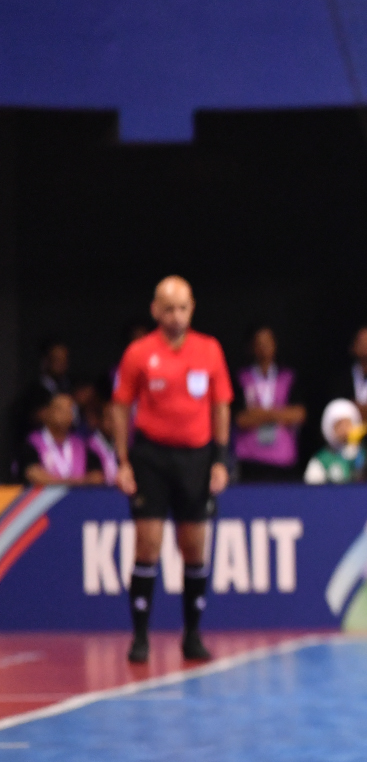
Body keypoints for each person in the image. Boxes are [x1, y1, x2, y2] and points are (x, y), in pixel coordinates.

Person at [111, 276, 233, 664]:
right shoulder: (139, 353)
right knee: (147, 545)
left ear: (192, 308)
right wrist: (122, 461)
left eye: (182, 308)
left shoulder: (209, 349)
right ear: (155, 310)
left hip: (196, 458)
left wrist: (220, 460)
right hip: (151, 458)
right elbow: (120, 406)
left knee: (194, 548)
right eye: (168, 309)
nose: (176, 316)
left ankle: (192, 635)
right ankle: (140, 637)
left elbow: (221, 406)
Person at [233, 326, 306, 481]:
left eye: (268, 342)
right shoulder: (241, 377)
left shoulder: (288, 377)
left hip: (283, 458)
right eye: (259, 343)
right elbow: (240, 419)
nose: (264, 347)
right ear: (251, 347)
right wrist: (280, 414)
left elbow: (298, 414)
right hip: (251, 459)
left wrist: (260, 414)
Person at [20, 393, 103, 486]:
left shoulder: (81, 444)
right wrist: (77, 483)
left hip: (79, 495)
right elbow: (33, 474)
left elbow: (97, 477)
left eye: (70, 409)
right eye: (60, 409)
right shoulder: (32, 443)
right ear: (46, 412)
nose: (66, 413)